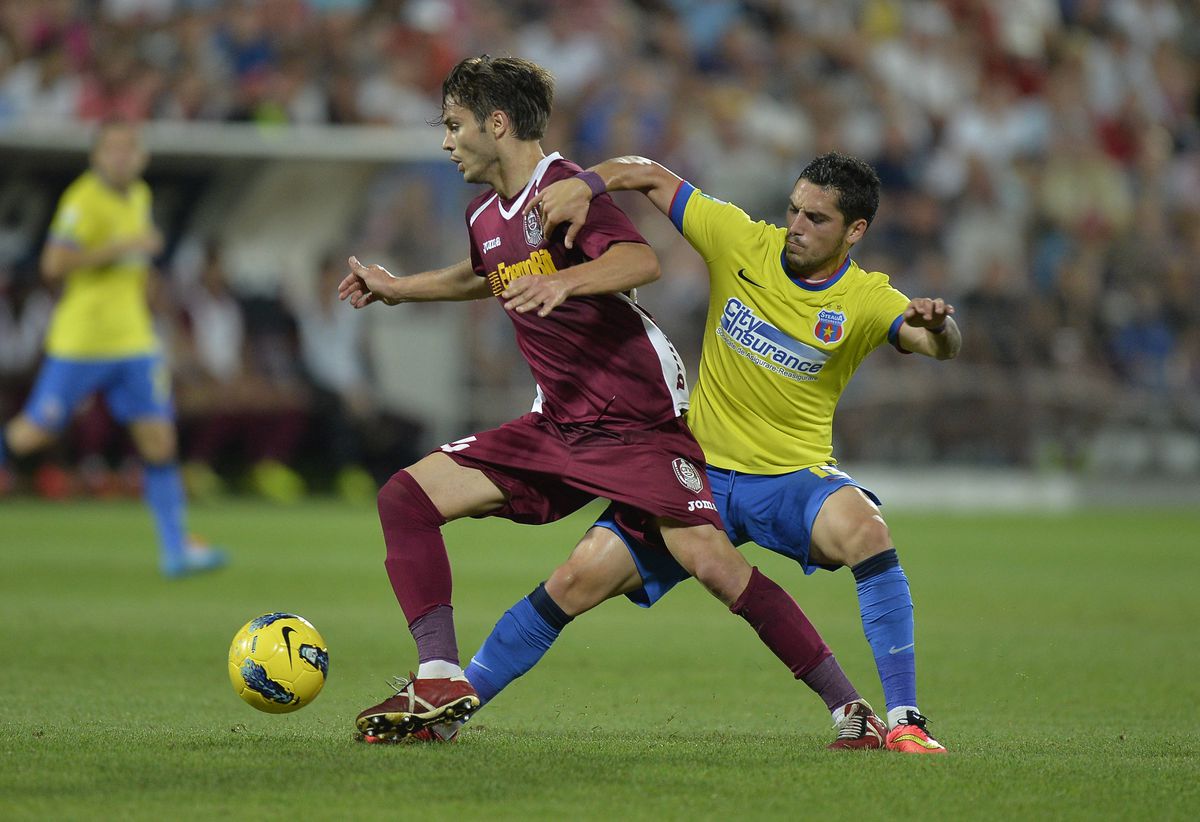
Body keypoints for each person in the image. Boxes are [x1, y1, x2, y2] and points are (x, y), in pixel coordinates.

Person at [338, 56, 886, 749]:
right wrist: (400, 287)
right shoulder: (485, 214)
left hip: (637, 426)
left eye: (454, 125)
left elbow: (640, 261)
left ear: (496, 124)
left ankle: (851, 710)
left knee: (716, 568)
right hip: (557, 424)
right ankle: (442, 676)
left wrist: (569, 285)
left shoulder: (563, 189)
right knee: (406, 500)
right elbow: (486, 274)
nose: (447, 142)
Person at [438, 152, 960, 754]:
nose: (795, 225)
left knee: (868, 531)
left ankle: (905, 718)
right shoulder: (741, 240)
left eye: (816, 219)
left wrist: (940, 325)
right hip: (693, 474)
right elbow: (645, 171)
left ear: (855, 231)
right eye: (793, 209)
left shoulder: (867, 298)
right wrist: (583, 186)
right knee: (575, 578)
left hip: (790, 478)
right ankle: (451, 707)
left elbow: (935, 344)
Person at [0, 119, 227, 578]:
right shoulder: (82, 201)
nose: (122, 158)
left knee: (159, 440)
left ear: (140, 157)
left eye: (129, 150)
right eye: (113, 150)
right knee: (34, 433)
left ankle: (175, 550)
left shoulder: (140, 196)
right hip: (82, 342)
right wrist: (119, 246)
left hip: (134, 343)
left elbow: (138, 268)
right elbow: (52, 265)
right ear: (97, 157)